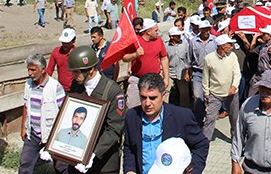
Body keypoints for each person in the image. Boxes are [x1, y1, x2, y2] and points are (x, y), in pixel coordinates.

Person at [123, 73, 209, 174]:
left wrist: (192, 170)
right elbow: (129, 148)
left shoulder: (182, 116)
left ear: (163, 96)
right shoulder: (132, 116)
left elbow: (201, 145)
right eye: (143, 97)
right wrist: (130, 170)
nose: (147, 103)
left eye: (152, 98)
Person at [68, 46, 126, 174]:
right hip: (77, 158)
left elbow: (114, 129)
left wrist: (93, 154)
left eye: (77, 72)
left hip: (103, 163)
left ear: (90, 69)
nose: (73, 75)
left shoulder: (112, 91)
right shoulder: (76, 86)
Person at [19, 54, 65, 174]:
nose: (30, 73)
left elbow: (64, 112)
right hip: (33, 133)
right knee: (25, 162)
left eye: (33, 70)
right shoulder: (28, 84)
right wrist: (23, 127)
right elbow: (26, 107)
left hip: (52, 134)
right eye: (28, 70)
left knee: (61, 166)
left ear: (43, 69)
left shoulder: (55, 87)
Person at [122, 18, 170, 109]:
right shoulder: (135, 41)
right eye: (156, 30)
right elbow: (124, 58)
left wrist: (166, 78)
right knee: (133, 107)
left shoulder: (159, 40)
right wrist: (135, 54)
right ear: (148, 31)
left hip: (154, 79)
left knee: (156, 107)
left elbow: (164, 58)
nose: (158, 32)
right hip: (137, 79)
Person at [202, 34, 241, 141]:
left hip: (232, 94)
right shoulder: (209, 59)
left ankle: (236, 140)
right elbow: (205, 77)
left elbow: (237, 74)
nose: (232, 46)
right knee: (210, 118)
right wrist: (206, 91)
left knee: (234, 119)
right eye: (230, 44)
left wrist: (234, 86)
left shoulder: (233, 56)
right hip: (215, 94)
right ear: (222, 46)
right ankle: (205, 141)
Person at [164, 26, 190, 108]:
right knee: (166, 92)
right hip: (170, 72)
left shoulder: (185, 44)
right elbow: (165, 60)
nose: (179, 37)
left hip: (181, 72)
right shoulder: (166, 46)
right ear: (171, 36)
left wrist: (187, 73)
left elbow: (188, 59)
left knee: (184, 94)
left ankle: (184, 110)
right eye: (177, 35)